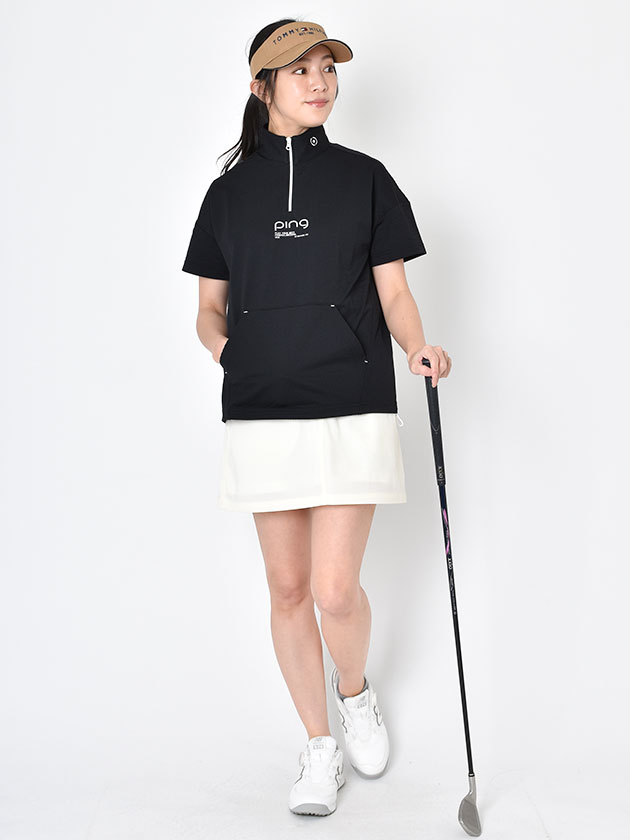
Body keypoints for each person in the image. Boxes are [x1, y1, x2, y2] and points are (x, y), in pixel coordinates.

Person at [182, 18, 452, 817]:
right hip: (262, 408)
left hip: (352, 397)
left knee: (335, 591)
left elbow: (394, 290)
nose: (320, 80)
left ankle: (355, 692)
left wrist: (417, 347)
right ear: (260, 86)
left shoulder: (366, 178)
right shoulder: (227, 195)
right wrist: (233, 355)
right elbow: (207, 309)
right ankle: (318, 744)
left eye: (327, 66)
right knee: (289, 588)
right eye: (299, 69)